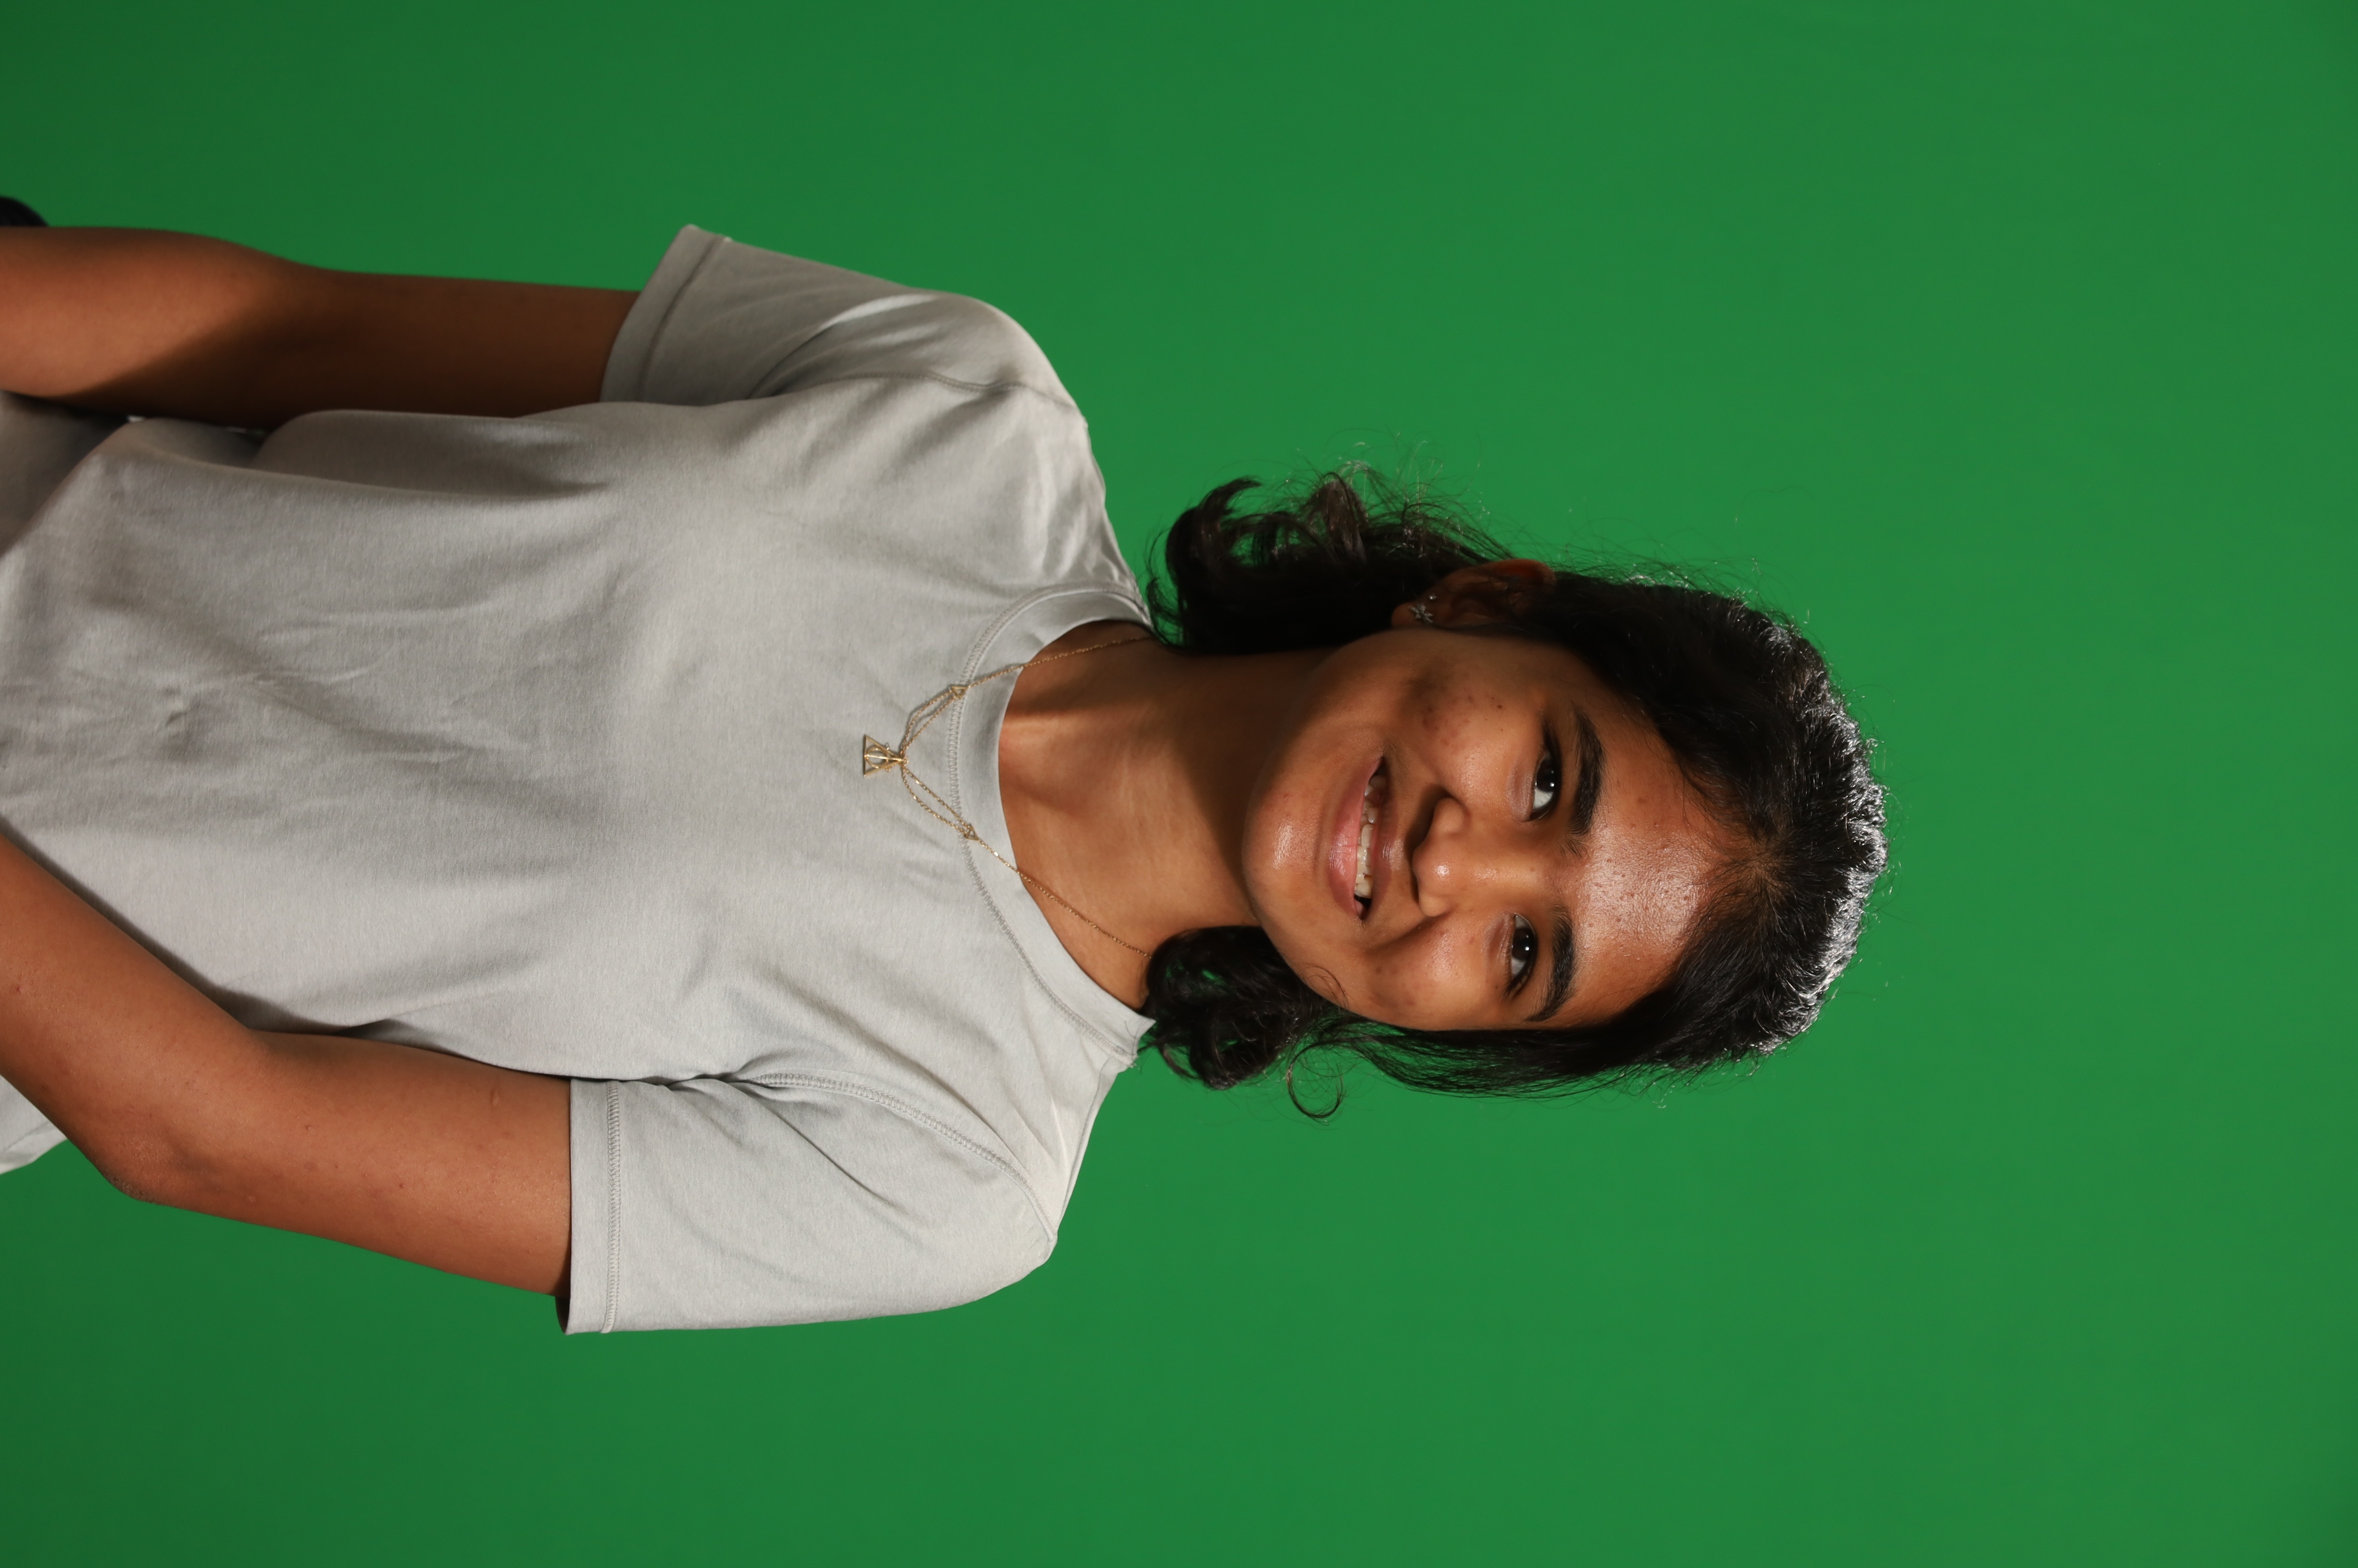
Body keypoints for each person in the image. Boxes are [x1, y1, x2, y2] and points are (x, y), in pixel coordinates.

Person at [0, 206, 1886, 1332]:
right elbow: (288, 330)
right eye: (1552, 781)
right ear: (1488, 603)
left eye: (1526, 957)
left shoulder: (957, 1173)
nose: (1459, 868)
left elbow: (215, 1121)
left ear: (1461, 1033)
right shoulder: (970, 399)